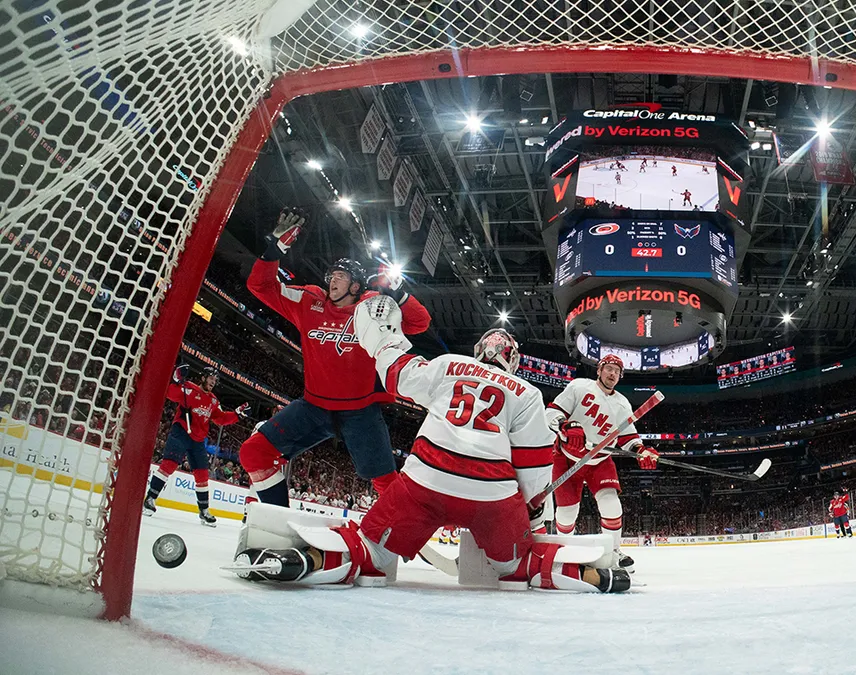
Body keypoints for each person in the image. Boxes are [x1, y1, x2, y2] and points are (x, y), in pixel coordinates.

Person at [233, 303, 629, 593]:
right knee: (517, 564)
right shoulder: (526, 391)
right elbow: (533, 462)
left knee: (369, 548)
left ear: (479, 350)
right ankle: (589, 574)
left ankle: (310, 559)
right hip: (491, 496)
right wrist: (529, 512)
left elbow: (396, 376)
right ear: (513, 361)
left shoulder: (448, 364)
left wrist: (385, 340)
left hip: (424, 482)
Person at [237, 209, 431, 508]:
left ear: (356, 286)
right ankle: (277, 520)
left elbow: (420, 323)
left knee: (387, 484)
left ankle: (404, 533)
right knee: (253, 452)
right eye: (331, 276)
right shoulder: (309, 300)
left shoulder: (372, 307)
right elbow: (260, 286)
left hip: (361, 412)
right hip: (313, 406)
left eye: (340, 276)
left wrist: (397, 291)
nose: (332, 281)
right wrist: (273, 251)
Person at [545, 354, 658, 568]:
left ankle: (614, 553)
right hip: (567, 458)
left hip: (600, 460)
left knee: (612, 506)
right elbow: (551, 412)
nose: (613, 373)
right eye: (609, 368)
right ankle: (564, 549)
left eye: (617, 371)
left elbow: (628, 438)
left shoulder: (622, 403)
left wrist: (641, 451)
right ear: (599, 370)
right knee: (567, 513)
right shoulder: (579, 387)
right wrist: (566, 426)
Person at [143, 364, 249, 526]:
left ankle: (204, 511)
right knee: (169, 465)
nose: (213, 382)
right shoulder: (189, 389)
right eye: (211, 378)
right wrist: (177, 379)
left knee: (202, 476)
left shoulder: (213, 400)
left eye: (215, 380)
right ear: (203, 378)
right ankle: (150, 499)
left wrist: (237, 414)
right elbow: (170, 393)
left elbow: (220, 418)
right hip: (181, 433)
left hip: (198, 440)